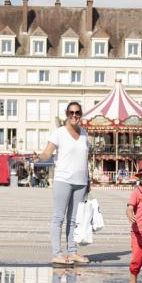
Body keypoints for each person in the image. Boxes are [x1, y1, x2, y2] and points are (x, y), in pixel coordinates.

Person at [38, 101, 90, 267]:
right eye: (71, 113)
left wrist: (88, 180)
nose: (74, 115)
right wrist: (39, 157)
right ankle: (56, 253)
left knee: (74, 220)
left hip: (81, 182)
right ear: (67, 114)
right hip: (63, 180)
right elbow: (47, 152)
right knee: (58, 217)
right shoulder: (59, 133)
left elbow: (85, 159)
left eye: (77, 113)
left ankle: (72, 251)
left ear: (81, 115)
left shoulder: (84, 134)